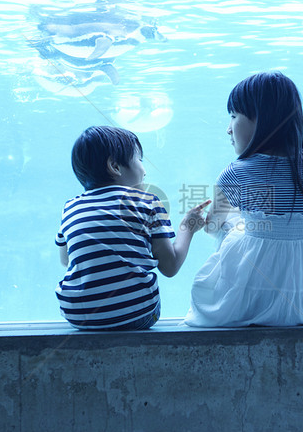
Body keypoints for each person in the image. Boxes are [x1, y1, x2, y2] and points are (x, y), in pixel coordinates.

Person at [185, 71, 303, 327]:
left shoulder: (236, 172)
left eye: (234, 116)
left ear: (261, 120)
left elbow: (213, 226)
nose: (228, 129)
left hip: (254, 294)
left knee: (235, 229)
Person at [56, 126, 210, 330]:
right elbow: (170, 267)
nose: (144, 170)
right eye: (140, 160)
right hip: (138, 314)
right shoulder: (147, 202)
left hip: (77, 315)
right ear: (115, 166)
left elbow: (65, 260)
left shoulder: (70, 207)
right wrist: (187, 226)